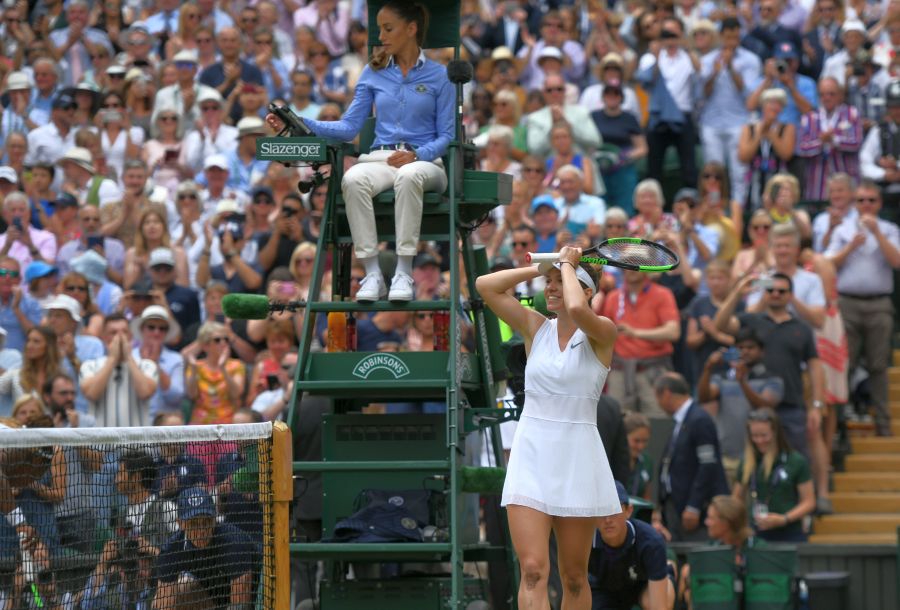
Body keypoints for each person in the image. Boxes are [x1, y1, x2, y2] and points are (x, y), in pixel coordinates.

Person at [267, 1, 452, 303]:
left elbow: (448, 135)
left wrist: (418, 154)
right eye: (379, 28)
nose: (381, 35)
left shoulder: (440, 76)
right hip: (381, 158)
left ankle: (404, 270)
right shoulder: (373, 72)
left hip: (426, 163)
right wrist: (297, 121)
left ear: (411, 29)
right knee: (353, 180)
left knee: (409, 175)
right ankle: (373, 273)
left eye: (388, 28)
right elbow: (349, 126)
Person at [476, 245, 620, 609]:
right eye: (549, 282)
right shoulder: (534, 326)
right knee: (533, 570)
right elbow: (485, 286)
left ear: (587, 290)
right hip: (532, 456)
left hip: (578, 458)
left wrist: (567, 265)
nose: (551, 288)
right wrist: (540, 267)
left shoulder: (602, 332)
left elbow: (575, 309)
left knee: (573, 577)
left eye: (561, 281)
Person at [714, 273, 826, 458]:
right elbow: (720, 324)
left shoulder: (802, 328)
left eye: (781, 291)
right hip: (754, 405)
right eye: (770, 290)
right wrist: (737, 293)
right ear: (764, 293)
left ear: (791, 295)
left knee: (795, 462)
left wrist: (816, 405)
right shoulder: (752, 320)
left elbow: (815, 367)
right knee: (755, 463)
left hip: (791, 405)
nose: (775, 294)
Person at [825, 181, 900, 436]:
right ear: (854, 204)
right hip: (847, 303)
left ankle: (883, 424)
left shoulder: (889, 229)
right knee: (845, 365)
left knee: (878, 366)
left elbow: (897, 261)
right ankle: (839, 428)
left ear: (879, 203)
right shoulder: (843, 229)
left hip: (879, 303)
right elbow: (828, 263)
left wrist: (877, 234)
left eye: (871, 200)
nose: (866, 205)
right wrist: (850, 247)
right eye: (861, 200)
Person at [697, 329, 784, 483]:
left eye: (750, 348)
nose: (745, 351)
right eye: (740, 348)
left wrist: (742, 382)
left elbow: (764, 406)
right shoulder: (722, 377)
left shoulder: (772, 378)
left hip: (758, 457)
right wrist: (708, 368)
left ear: (761, 351)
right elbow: (704, 397)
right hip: (727, 457)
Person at [654, 372, 729, 543]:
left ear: (666, 393)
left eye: (657, 397)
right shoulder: (683, 420)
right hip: (676, 505)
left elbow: (708, 464)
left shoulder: (699, 420)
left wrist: (694, 505)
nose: (658, 404)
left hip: (694, 511)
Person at [154, 487, 255, 609]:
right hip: (213, 600)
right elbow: (164, 604)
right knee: (173, 594)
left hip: (257, 598)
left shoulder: (234, 543)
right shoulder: (171, 551)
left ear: (215, 519)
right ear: (180, 523)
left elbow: (241, 606)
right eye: (194, 523)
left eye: (206, 521)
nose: (201, 531)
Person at [601, 270, 681, 418]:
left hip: (652, 370)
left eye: (636, 263)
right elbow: (604, 335)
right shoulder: (613, 297)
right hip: (620, 371)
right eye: (627, 263)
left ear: (646, 267)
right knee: (617, 420)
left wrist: (636, 333)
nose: (631, 268)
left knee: (658, 421)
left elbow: (673, 332)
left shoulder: (662, 294)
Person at [699, 17, 761, 206]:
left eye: (735, 37)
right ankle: (715, 209)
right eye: (727, 38)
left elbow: (748, 94)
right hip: (712, 122)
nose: (731, 42)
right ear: (720, 37)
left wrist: (731, 67)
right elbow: (703, 93)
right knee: (714, 173)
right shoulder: (708, 60)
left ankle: (738, 210)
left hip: (739, 122)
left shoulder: (751, 60)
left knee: (739, 172)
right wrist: (715, 72)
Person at [732, 408, 816, 542]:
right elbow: (736, 499)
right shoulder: (747, 462)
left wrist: (784, 519)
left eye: (764, 435)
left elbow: (809, 502)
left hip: (789, 534)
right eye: (754, 436)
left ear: (776, 433)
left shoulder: (795, 461)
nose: (759, 441)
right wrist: (742, 526)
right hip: (756, 533)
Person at [590, 481, 675, 610]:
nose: (608, 519)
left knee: (659, 601)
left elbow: (659, 607)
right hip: (603, 588)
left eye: (614, 509)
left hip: (642, 584)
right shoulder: (585, 541)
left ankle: (667, 571)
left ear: (628, 511)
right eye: (602, 511)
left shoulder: (651, 541)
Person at [79, 313, 158, 427]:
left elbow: (145, 392)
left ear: (130, 336)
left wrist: (129, 358)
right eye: (113, 333)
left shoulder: (147, 365)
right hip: (101, 442)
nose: (120, 337)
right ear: (104, 337)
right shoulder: (89, 366)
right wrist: (112, 359)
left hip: (137, 442)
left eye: (124, 332)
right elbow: (91, 394)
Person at [737, 88, 795, 212]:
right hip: (754, 183)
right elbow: (743, 157)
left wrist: (771, 134)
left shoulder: (787, 128)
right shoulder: (749, 128)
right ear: (762, 105)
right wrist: (759, 134)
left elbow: (786, 154)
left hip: (777, 179)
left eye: (778, 103)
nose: (774, 107)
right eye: (770, 102)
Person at [185, 321, 245, 425]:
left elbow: (236, 393)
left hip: (229, 424)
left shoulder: (237, 365)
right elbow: (192, 395)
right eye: (217, 340)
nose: (223, 343)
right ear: (205, 346)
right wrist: (194, 371)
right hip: (200, 425)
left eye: (226, 339)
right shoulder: (195, 366)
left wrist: (223, 369)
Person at [624, 412, 654, 501]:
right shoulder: (610, 460)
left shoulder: (647, 461)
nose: (641, 446)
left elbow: (647, 497)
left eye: (645, 441)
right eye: (636, 441)